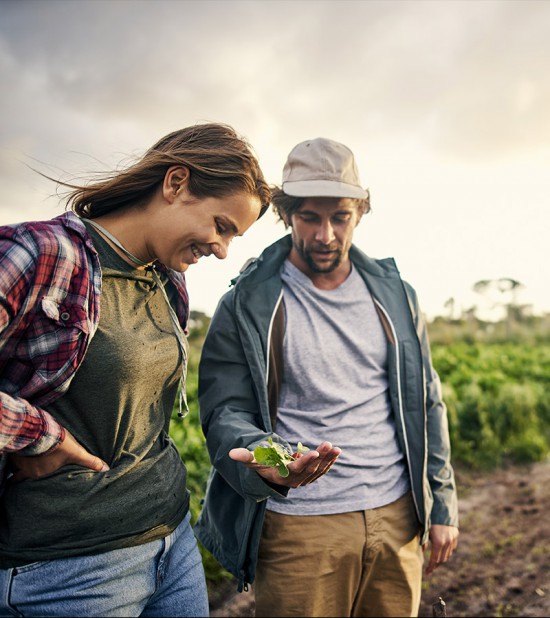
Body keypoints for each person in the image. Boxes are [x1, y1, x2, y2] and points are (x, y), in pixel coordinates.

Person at [0, 122, 271, 617]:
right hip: (65, 572)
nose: (223, 248)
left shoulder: (169, 283)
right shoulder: (39, 253)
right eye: (222, 225)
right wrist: (38, 434)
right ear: (176, 183)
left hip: (172, 544)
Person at [194, 137, 459, 617]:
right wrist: (265, 457)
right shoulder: (246, 302)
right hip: (299, 525)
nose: (325, 235)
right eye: (309, 217)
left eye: (340, 217)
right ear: (286, 213)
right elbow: (224, 410)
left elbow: (427, 401)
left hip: (397, 515)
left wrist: (440, 505)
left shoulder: (397, 294)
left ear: (360, 212)